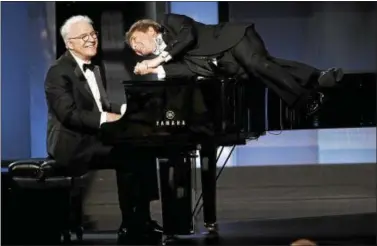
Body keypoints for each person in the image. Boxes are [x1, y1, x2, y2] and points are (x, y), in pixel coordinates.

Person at [44, 15, 162, 243]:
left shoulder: (95, 69)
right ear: (70, 43)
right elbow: (68, 114)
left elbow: (104, 106)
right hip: (72, 145)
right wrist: (106, 117)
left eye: (93, 34)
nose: (91, 40)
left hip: (95, 140)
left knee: (144, 147)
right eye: (84, 37)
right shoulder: (57, 72)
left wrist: (127, 110)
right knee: (128, 155)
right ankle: (130, 224)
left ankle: (143, 218)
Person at [125, 13, 344, 116]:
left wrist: (157, 60)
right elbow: (188, 70)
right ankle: (318, 76)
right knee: (264, 67)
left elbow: (189, 36)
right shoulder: (170, 58)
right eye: (132, 48)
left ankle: (307, 99)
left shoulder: (169, 22)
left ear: (150, 30)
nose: (136, 48)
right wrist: (155, 69)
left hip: (232, 38)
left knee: (258, 65)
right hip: (229, 64)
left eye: (136, 40)